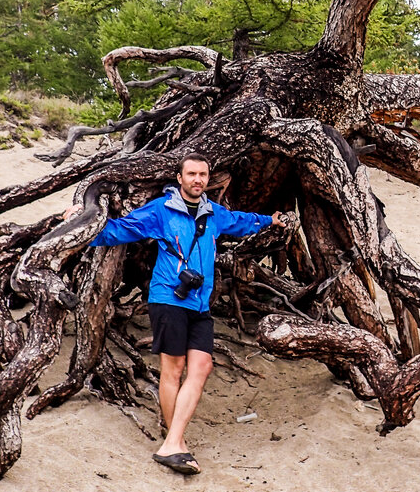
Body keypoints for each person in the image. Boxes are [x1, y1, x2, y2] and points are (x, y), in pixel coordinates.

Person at [70, 153, 285, 475]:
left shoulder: (214, 214)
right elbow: (118, 231)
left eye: (202, 174)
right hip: (168, 299)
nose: (197, 180)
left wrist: (270, 220)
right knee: (173, 370)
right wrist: (76, 221)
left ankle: (172, 440)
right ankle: (175, 444)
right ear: (180, 178)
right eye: (191, 174)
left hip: (200, 304)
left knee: (202, 366)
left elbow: (241, 222)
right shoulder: (161, 210)